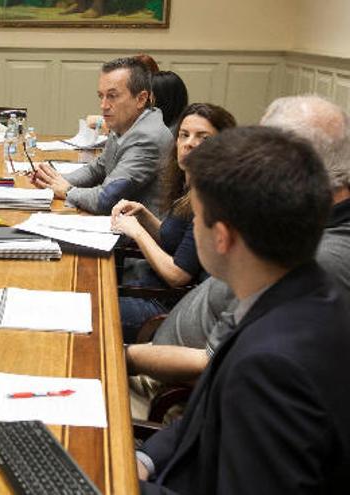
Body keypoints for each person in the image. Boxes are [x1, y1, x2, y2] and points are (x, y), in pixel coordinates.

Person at [137, 126, 350, 493]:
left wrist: (111, 484)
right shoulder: (293, 293)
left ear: (221, 236)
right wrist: (143, 459)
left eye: (196, 218)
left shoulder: (270, 366)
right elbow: (203, 418)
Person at [112, 103, 236, 342]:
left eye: (203, 137)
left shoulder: (210, 198)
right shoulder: (188, 187)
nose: (189, 143)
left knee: (88, 306)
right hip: (150, 289)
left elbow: (178, 275)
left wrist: (138, 233)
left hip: (167, 308)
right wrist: (144, 216)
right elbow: (175, 243)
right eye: (184, 135)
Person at [33, 57, 174, 215]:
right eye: (101, 96)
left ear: (141, 99)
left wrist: (67, 190)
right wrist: (55, 180)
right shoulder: (126, 123)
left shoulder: (148, 138)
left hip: (138, 235)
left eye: (112, 96)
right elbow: (97, 168)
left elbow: (106, 200)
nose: (103, 105)